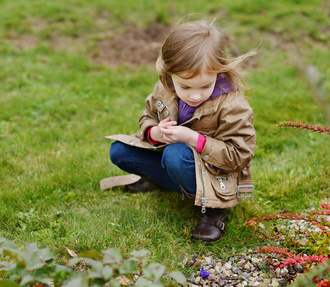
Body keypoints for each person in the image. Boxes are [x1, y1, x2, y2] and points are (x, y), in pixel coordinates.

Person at [102, 19, 256, 244]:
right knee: (119, 151)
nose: (195, 96)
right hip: (173, 157)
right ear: (169, 73)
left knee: (175, 155)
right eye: (185, 86)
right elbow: (148, 115)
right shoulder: (166, 88)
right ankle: (163, 180)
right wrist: (155, 132)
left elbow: (239, 155)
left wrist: (194, 139)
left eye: (205, 86)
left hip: (215, 175)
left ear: (219, 70)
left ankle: (213, 210)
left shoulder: (232, 105)